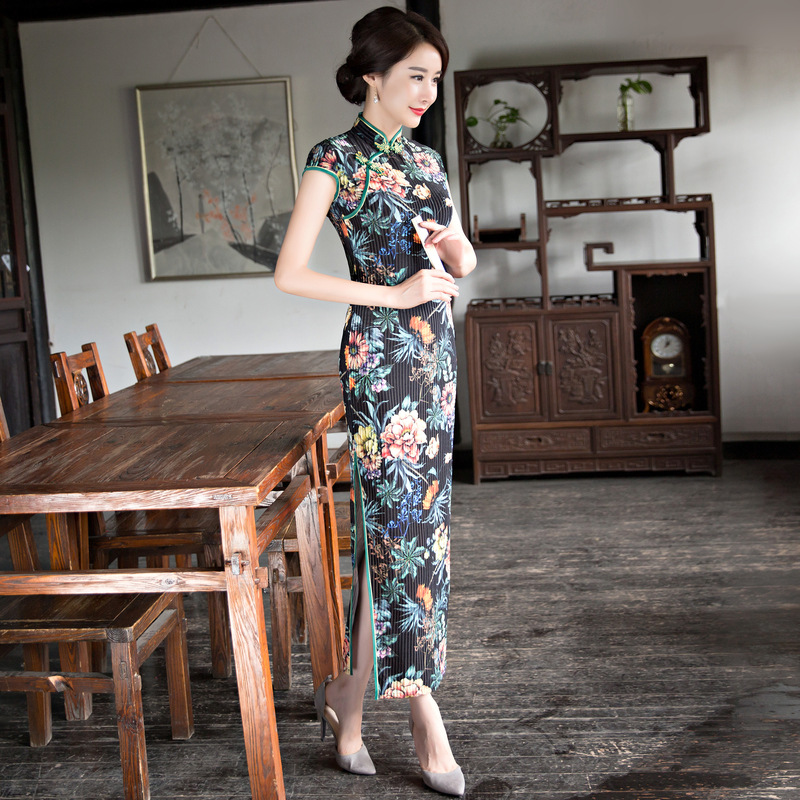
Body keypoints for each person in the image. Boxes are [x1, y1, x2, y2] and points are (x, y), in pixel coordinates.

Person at [275, 6, 476, 796]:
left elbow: (460, 259)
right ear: (372, 75)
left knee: (412, 538)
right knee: (400, 536)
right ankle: (426, 713)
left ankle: (347, 705)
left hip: (436, 360)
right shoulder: (335, 159)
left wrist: (454, 249)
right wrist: (392, 295)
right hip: (382, 363)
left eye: (435, 77)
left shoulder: (427, 161)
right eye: (414, 75)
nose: (427, 91)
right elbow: (290, 273)